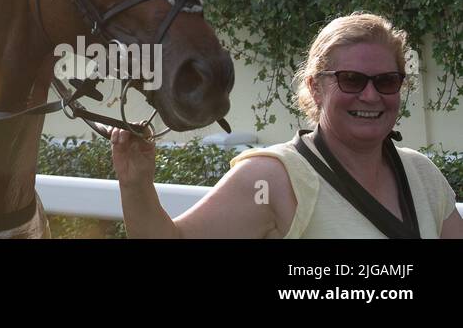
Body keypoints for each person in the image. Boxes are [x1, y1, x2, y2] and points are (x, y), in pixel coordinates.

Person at [110, 12, 463, 238]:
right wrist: (136, 184)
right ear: (315, 86)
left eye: (386, 81)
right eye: (352, 80)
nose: (370, 95)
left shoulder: (422, 175)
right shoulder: (272, 178)